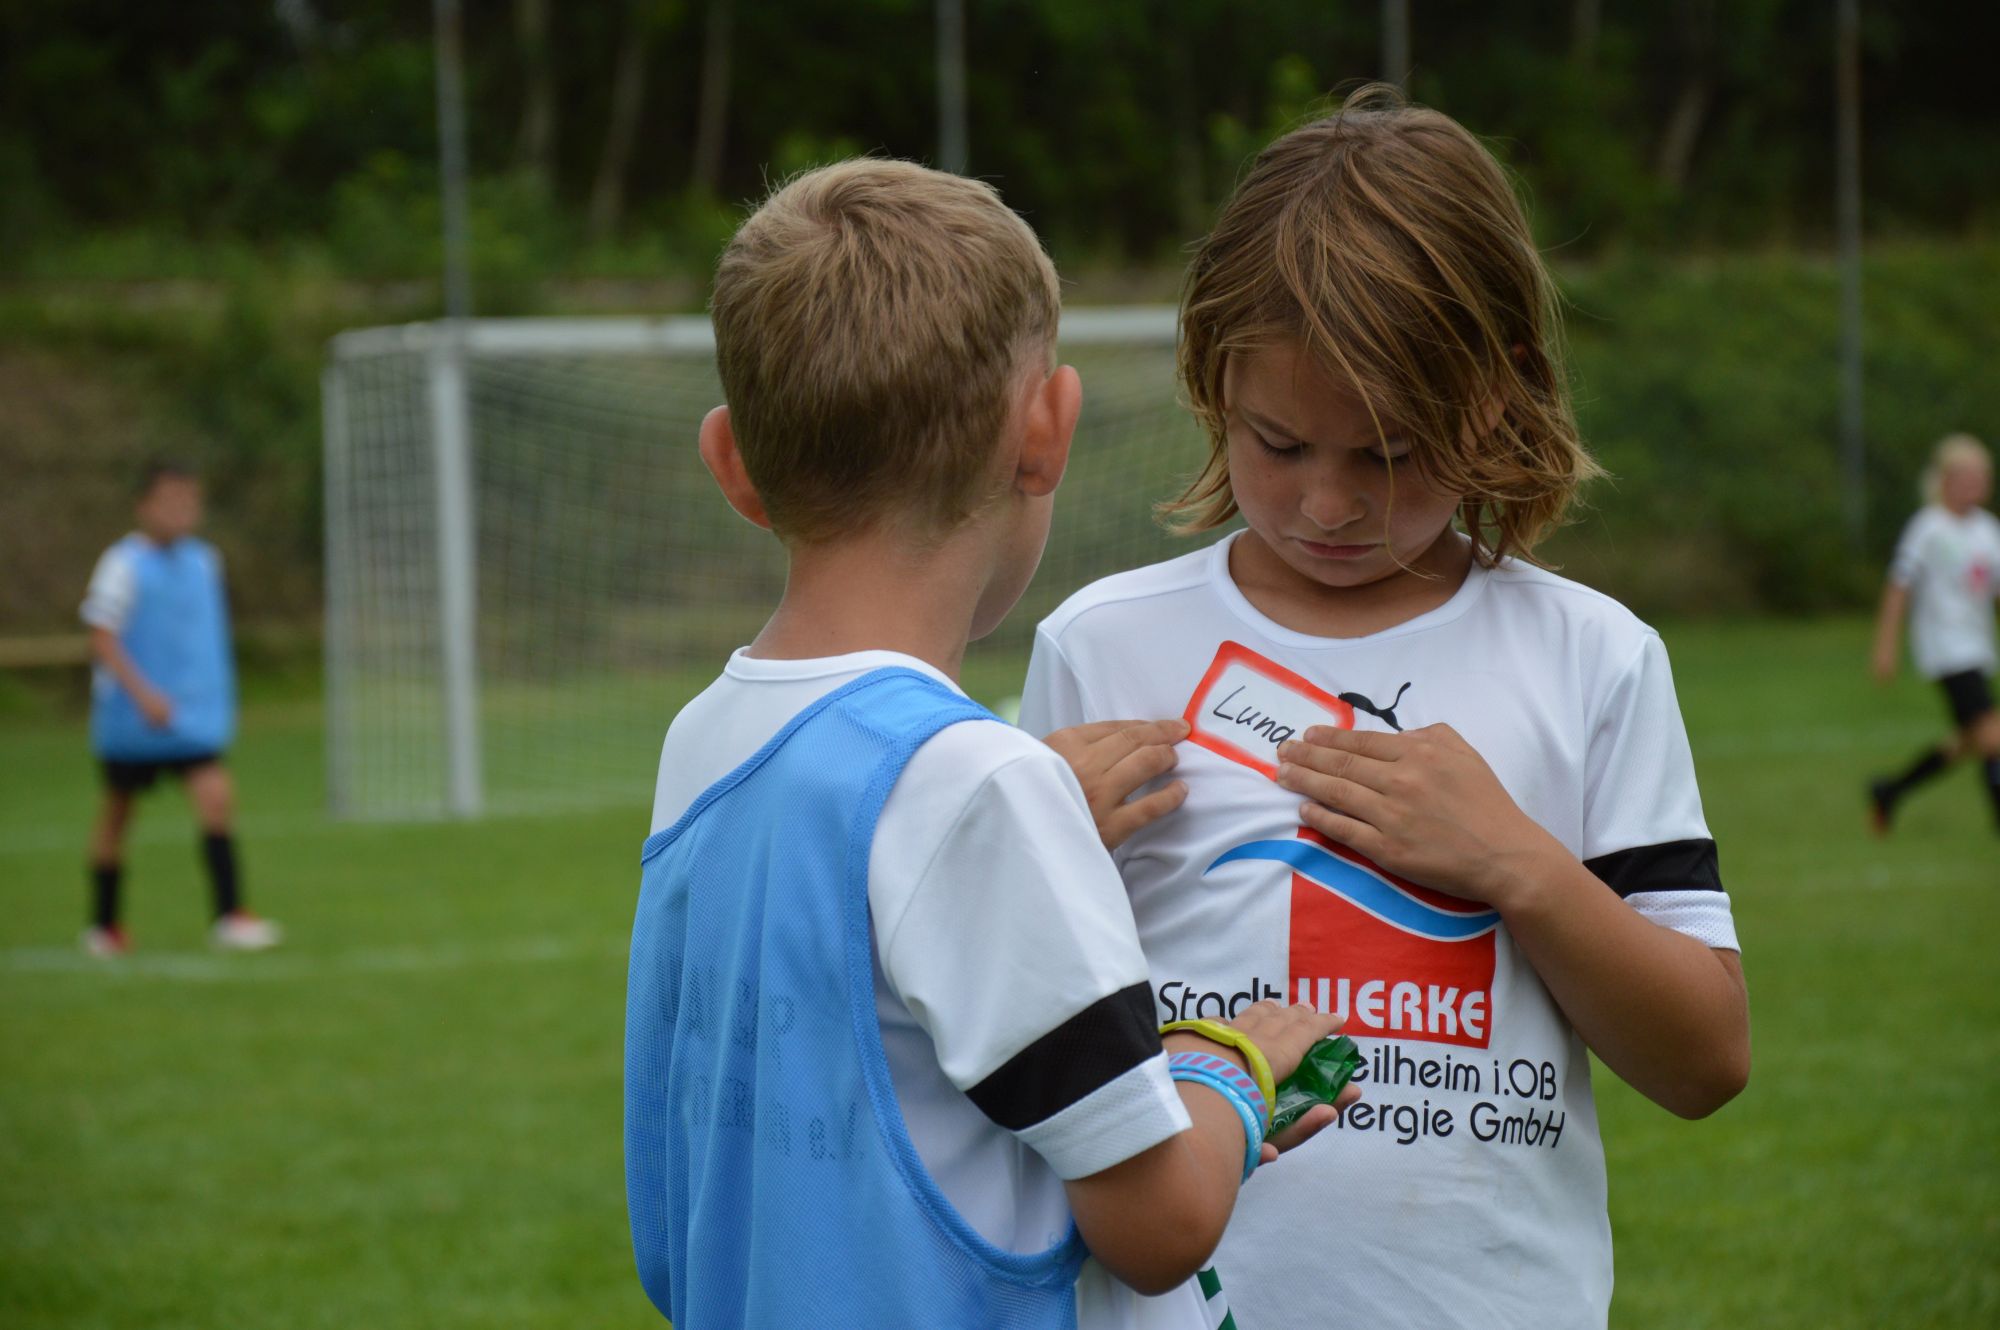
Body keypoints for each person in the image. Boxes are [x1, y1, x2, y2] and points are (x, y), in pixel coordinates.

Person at [1019, 87, 1750, 1330]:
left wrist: (1514, 861)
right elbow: (1012, 1023)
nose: (1327, 503)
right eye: (1278, 443)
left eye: (1388, 453)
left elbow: (1704, 1061)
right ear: (1209, 380)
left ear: (1499, 393)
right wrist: (1032, 852)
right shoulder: (1103, 646)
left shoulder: (1590, 657)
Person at [623, 159, 1356, 1330]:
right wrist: (1230, 1069)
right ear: (1044, 430)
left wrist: (1028, 827)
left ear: (731, 464)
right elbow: (1157, 1224)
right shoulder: (976, 789)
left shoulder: (704, 737)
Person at [80, 461, 280, 956]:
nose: (180, 512)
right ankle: (104, 926)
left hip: (189, 719)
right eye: (169, 502)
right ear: (144, 506)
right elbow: (101, 637)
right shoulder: (121, 564)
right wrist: (143, 694)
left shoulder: (205, 562)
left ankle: (230, 915)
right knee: (118, 814)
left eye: (189, 502)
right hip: (133, 720)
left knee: (216, 800)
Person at [1868, 433, 2000, 832]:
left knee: (1970, 740)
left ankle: (1890, 790)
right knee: (1992, 735)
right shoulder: (1927, 527)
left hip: (1978, 647)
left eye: (1981, 476)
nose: (1975, 483)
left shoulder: (1988, 529)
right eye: (1966, 476)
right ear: (1944, 479)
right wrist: (1885, 646)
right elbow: (1898, 587)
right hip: (1946, 649)